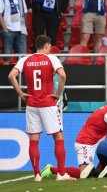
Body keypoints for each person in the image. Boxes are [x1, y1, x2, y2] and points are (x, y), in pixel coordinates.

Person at [8, 35, 75, 181]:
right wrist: (58, 94)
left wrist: (20, 93)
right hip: (48, 103)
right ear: (46, 46)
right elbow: (62, 75)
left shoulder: (25, 59)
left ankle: (37, 174)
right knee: (58, 136)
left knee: (34, 138)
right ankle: (61, 174)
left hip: (32, 103)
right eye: (49, 46)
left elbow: (11, 75)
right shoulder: (51, 59)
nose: (50, 48)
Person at [0, 0, 28, 65]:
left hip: (21, 31)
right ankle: (5, 75)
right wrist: (4, 28)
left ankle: (21, 76)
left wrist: (24, 27)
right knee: (6, 56)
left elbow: (25, 13)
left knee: (22, 57)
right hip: (8, 30)